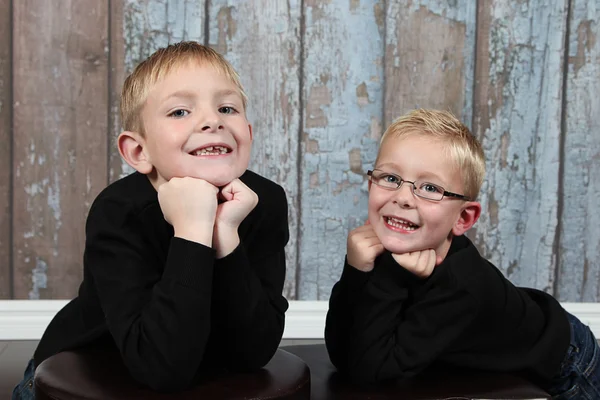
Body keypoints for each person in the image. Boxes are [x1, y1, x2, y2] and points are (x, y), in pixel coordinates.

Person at [13, 41, 289, 399]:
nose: (212, 121)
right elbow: (162, 368)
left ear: (248, 135)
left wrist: (225, 237)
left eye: (226, 107)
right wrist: (192, 232)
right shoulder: (119, 212)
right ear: (138, 151)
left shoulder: (264, 202)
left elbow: (252, 353)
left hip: (197, 367)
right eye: (179, 112)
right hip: (94, 370)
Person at [324, 109, 600, 399]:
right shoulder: (392, 243)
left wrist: (393, 276)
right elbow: (343, 351)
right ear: (371, 185)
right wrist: (355, 272)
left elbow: (372, 372)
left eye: (430, 188)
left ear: (463, 218)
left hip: (568, 361)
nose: (402, 197)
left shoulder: (461, 284)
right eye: (391, 178)